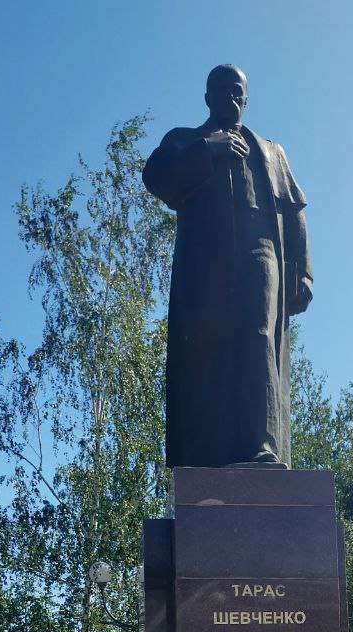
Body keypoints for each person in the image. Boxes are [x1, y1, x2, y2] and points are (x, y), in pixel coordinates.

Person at [142, 64, 312, 469]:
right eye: (221, 91)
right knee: (208, 347)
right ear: (207, 97)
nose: (230, 98)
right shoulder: (185, 140)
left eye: (238, 92)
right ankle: (209, 455)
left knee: (257, 336)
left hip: (261, 253)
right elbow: (156, 176)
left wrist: (303, 270)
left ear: (247, 99)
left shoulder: (271, 151)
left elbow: (294, 213)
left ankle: (262, 448)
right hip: (207, 260)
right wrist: (208, 148)